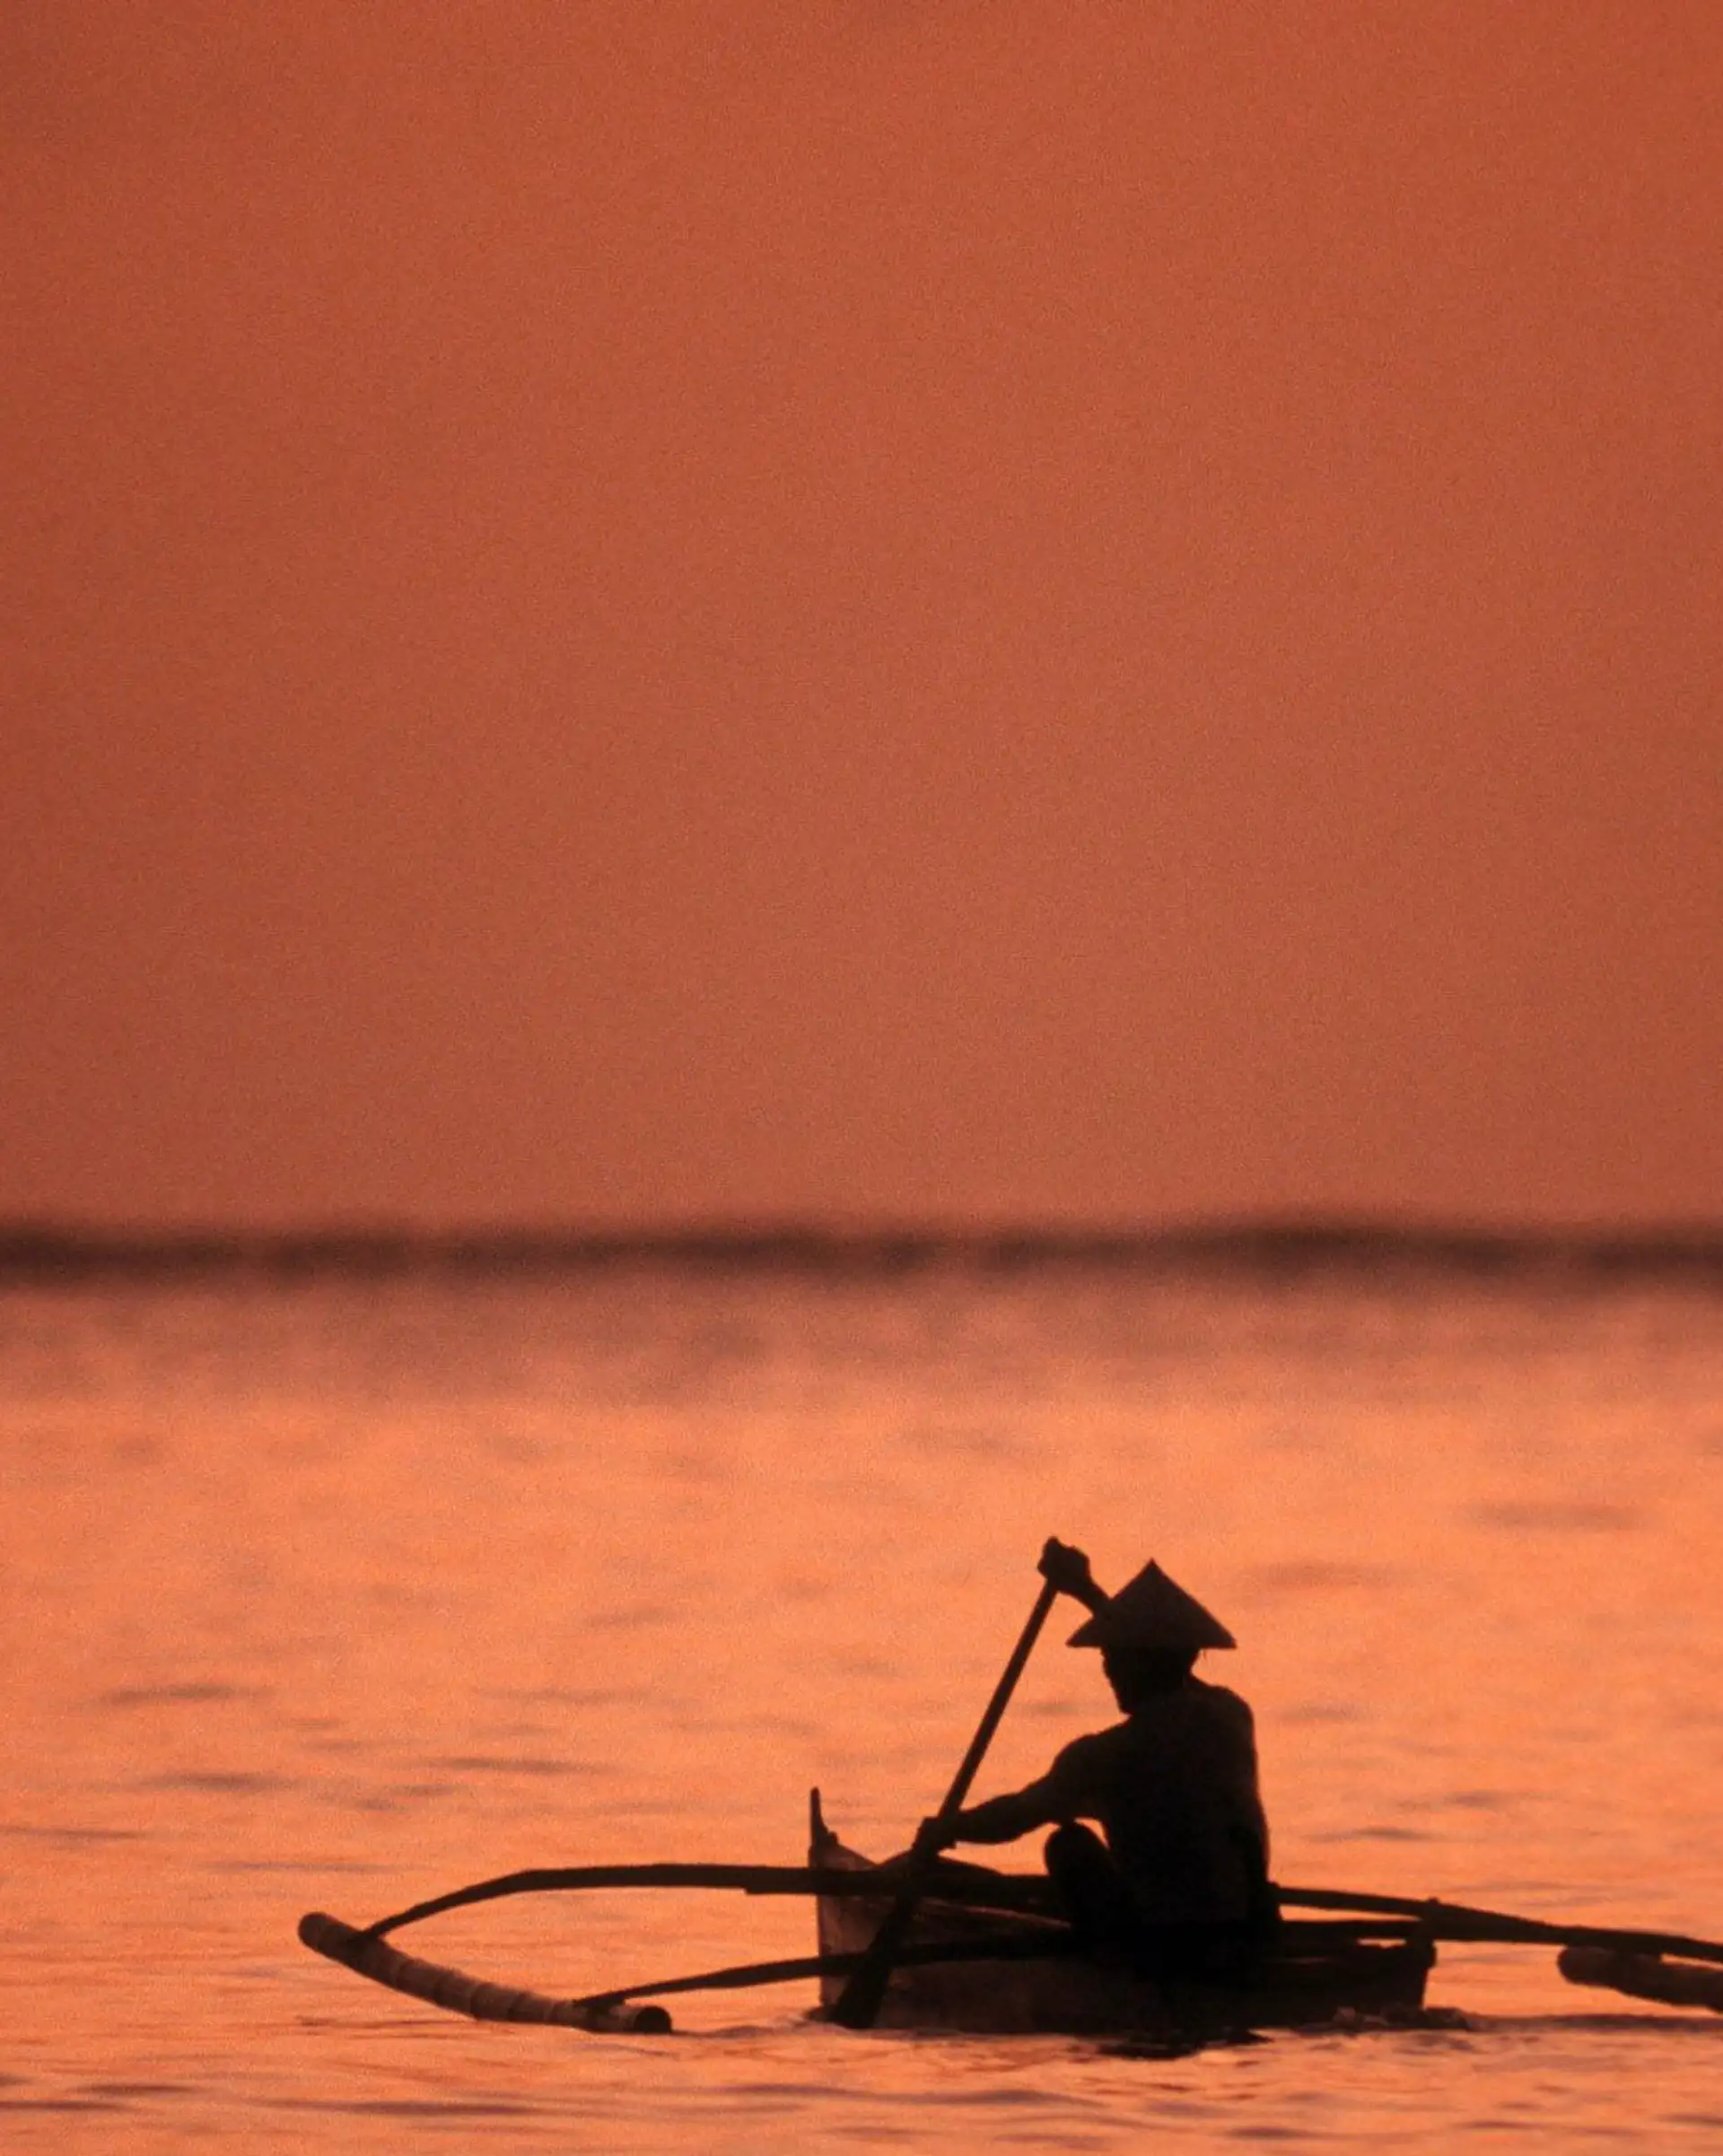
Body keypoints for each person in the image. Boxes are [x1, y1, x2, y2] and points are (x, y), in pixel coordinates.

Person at [928, 1538, 1273, 1974]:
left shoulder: (1105, 1756)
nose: (1107, 1670)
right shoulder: (1231, 1715)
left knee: (1068, 1845)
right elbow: (1154, 1656)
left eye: (1112, 1658)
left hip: (1168, 1946)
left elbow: (1016, 1815)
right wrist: (1086, 1591)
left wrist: (947, 1829)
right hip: (1246, 1930)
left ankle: (1122, 1971)